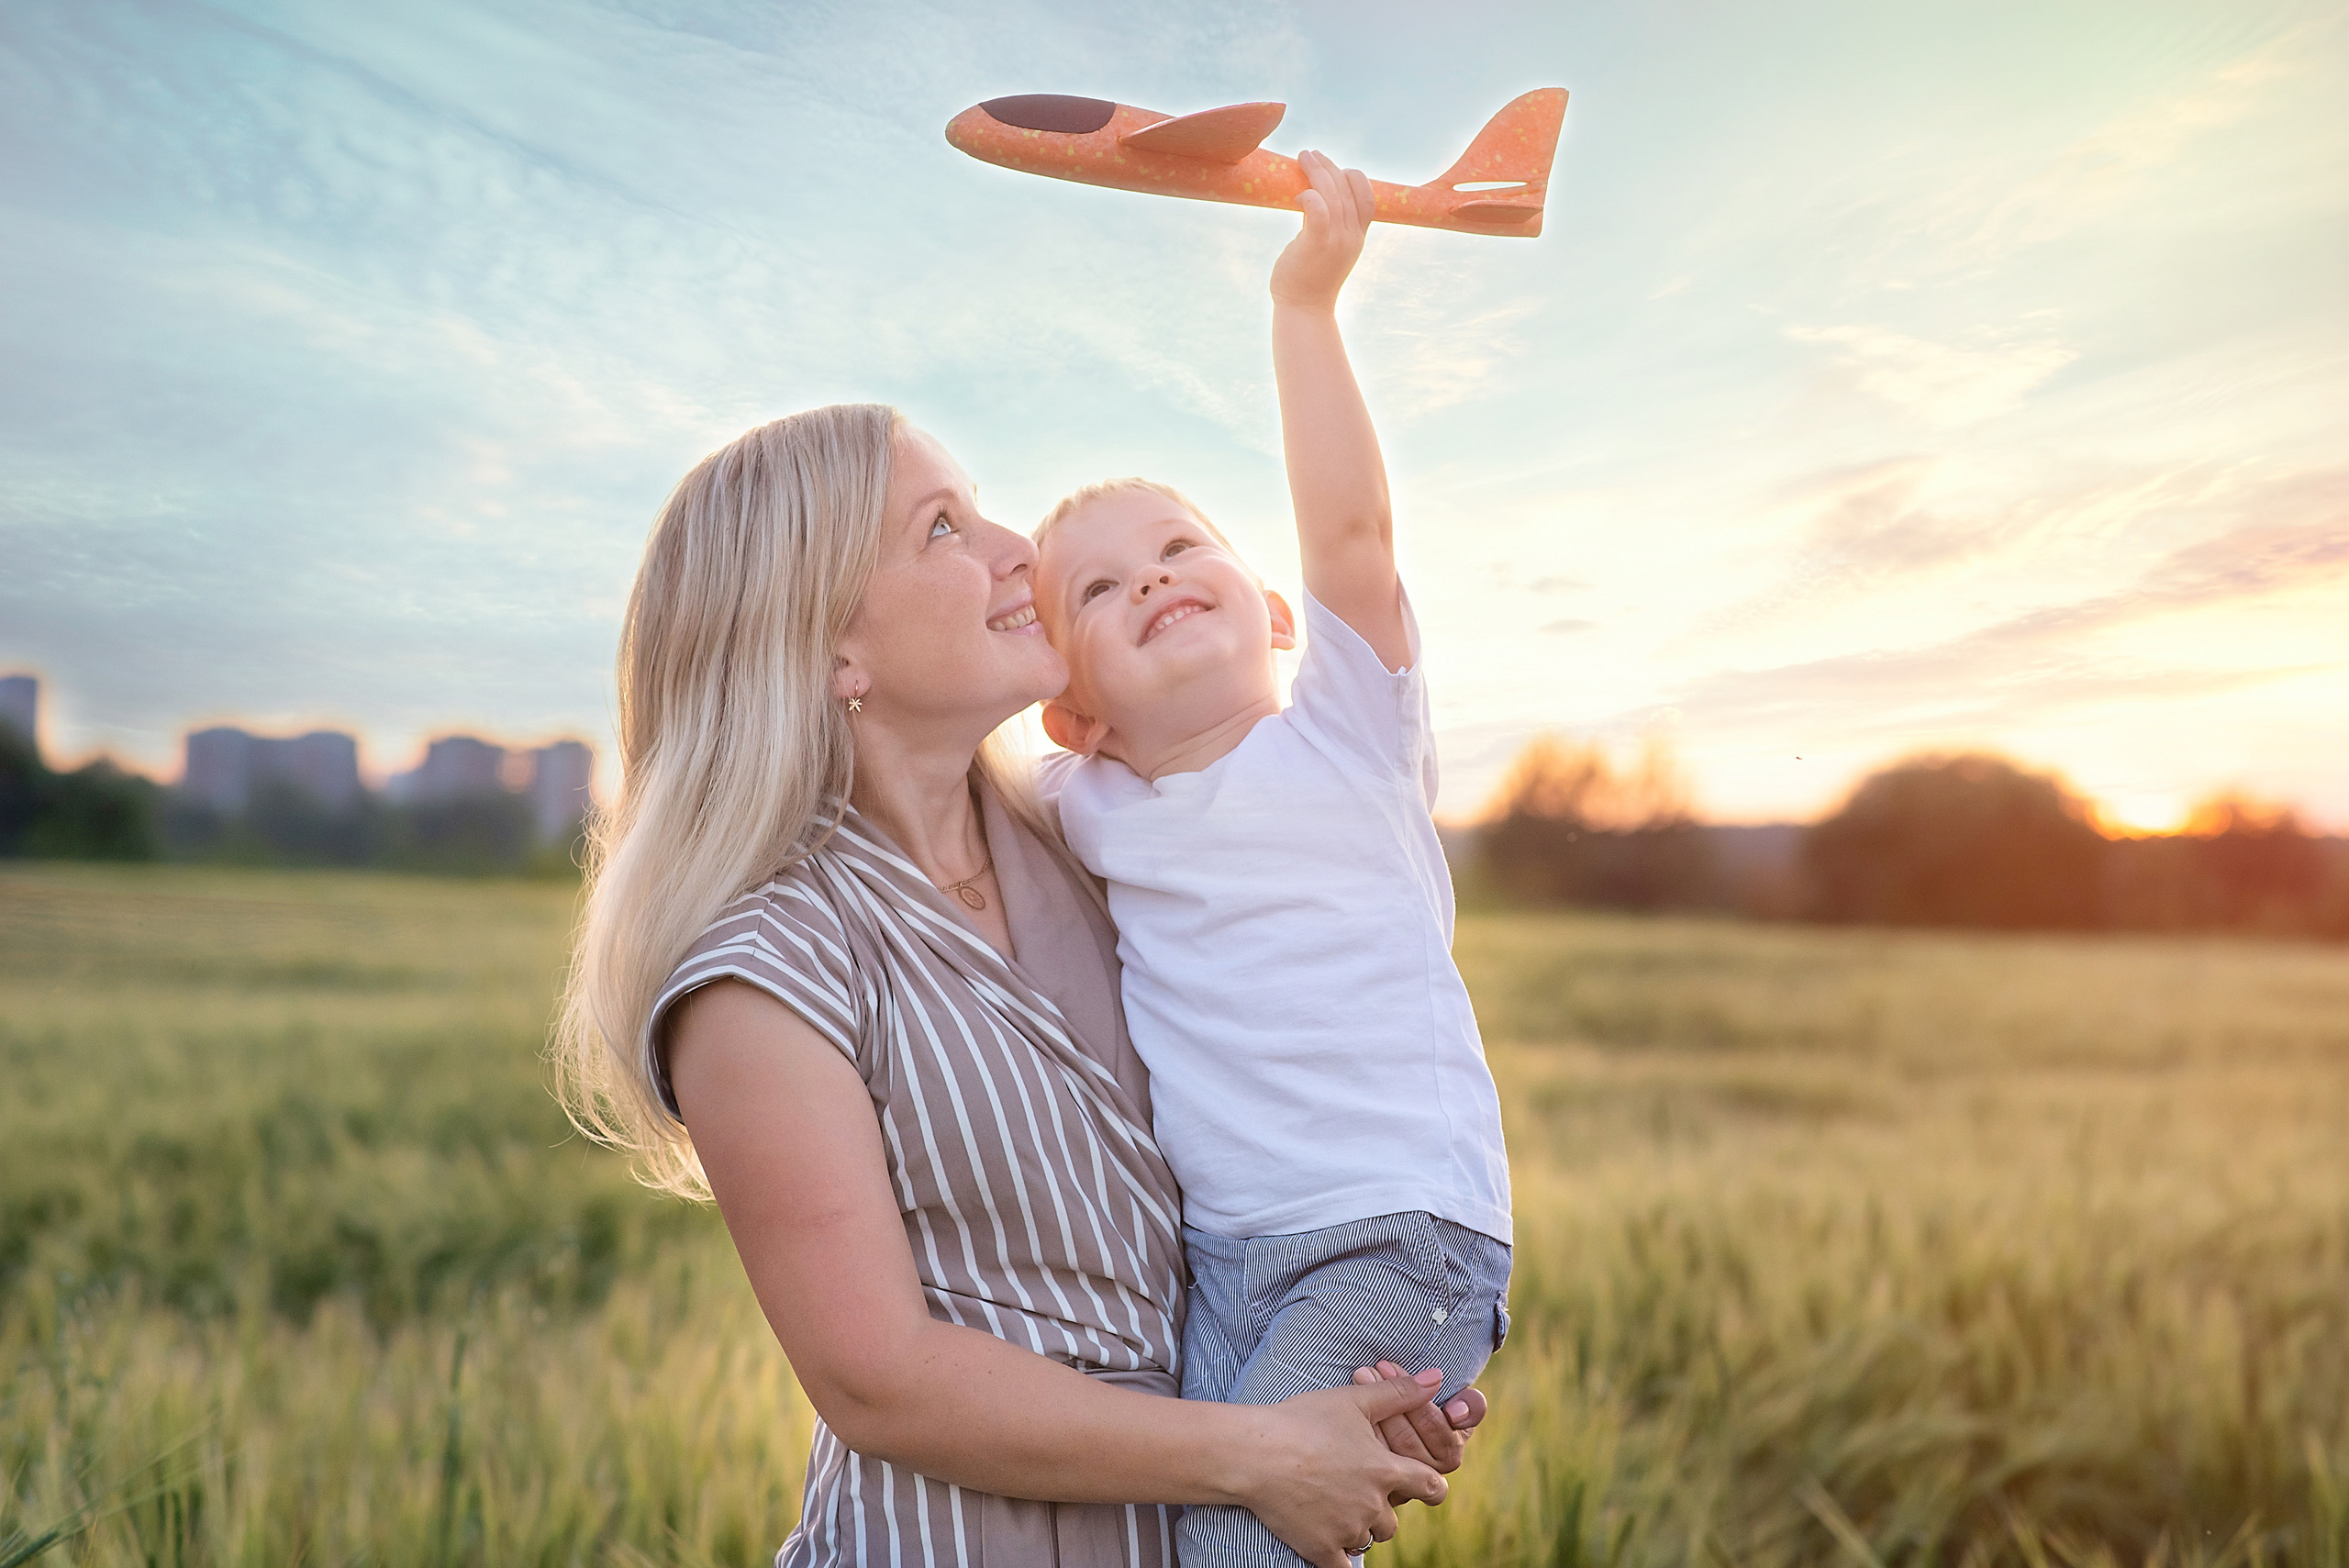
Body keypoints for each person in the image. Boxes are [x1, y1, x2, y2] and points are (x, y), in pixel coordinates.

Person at [552, 401, 1482, 1568]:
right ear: (833, 648)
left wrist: (1358, 1384)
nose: (1017, 554)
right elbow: (879, 1379)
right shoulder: (760, 972)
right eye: (944, 527)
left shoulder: (1101, 850)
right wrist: (1257, 1453)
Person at [1029, 153, 1514, 1568]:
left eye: (1183, 546)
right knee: (1165, 1536)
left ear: (1274, 610)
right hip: (1223, 1261)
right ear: (1074, 704)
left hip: (1391, 1237)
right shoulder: (1081, 799)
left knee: (1231, 1549)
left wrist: (1306, 306)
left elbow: (1353, 534)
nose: (1156, 578)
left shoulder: (1346, 731)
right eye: (1101, 590)